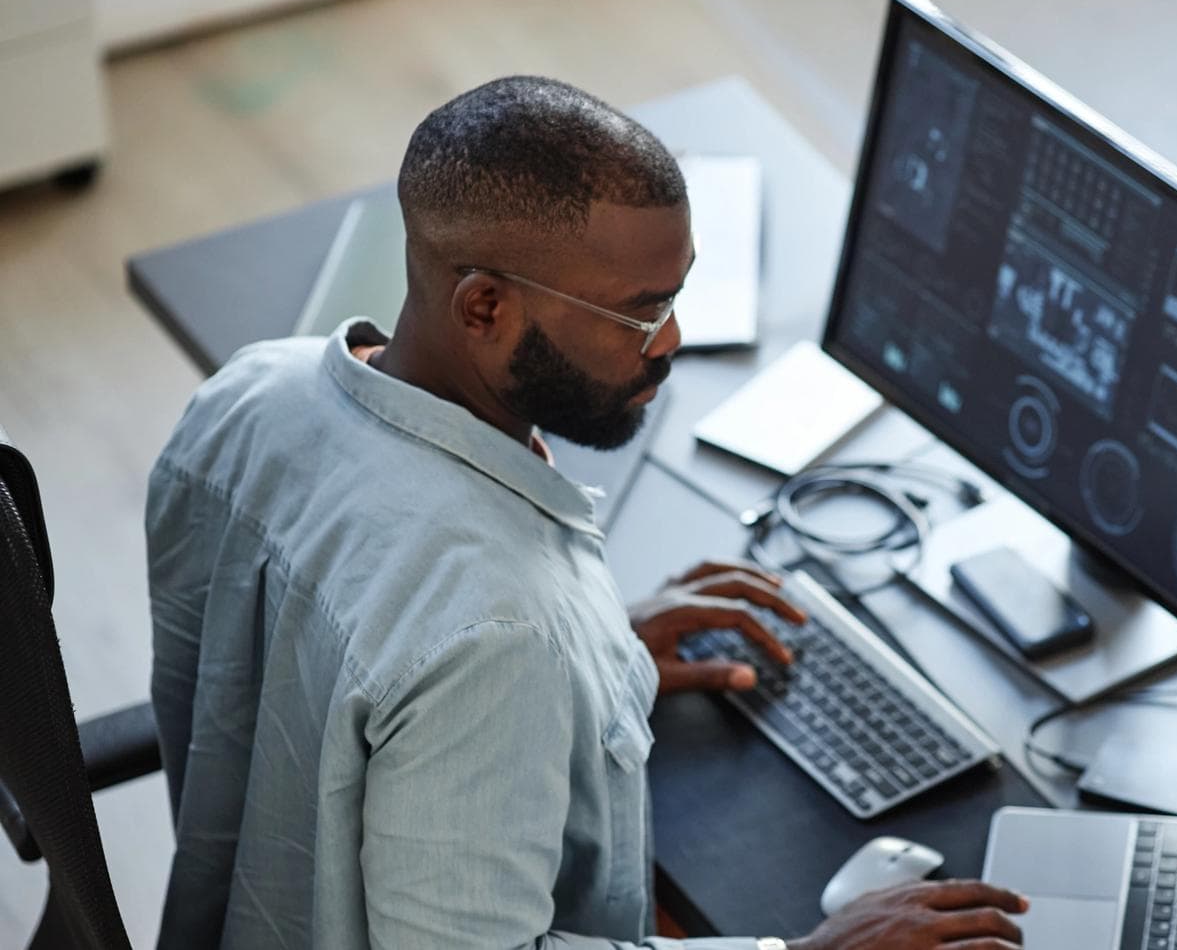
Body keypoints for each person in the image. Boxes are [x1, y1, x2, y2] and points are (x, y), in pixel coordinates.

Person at [145, 75, 1027, 949]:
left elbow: (338, 647)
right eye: (640, 316)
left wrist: (593, 663)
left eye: (677, 296)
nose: (672, 341)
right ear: (485, 306)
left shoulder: (248, 392)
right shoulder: (497, 633)